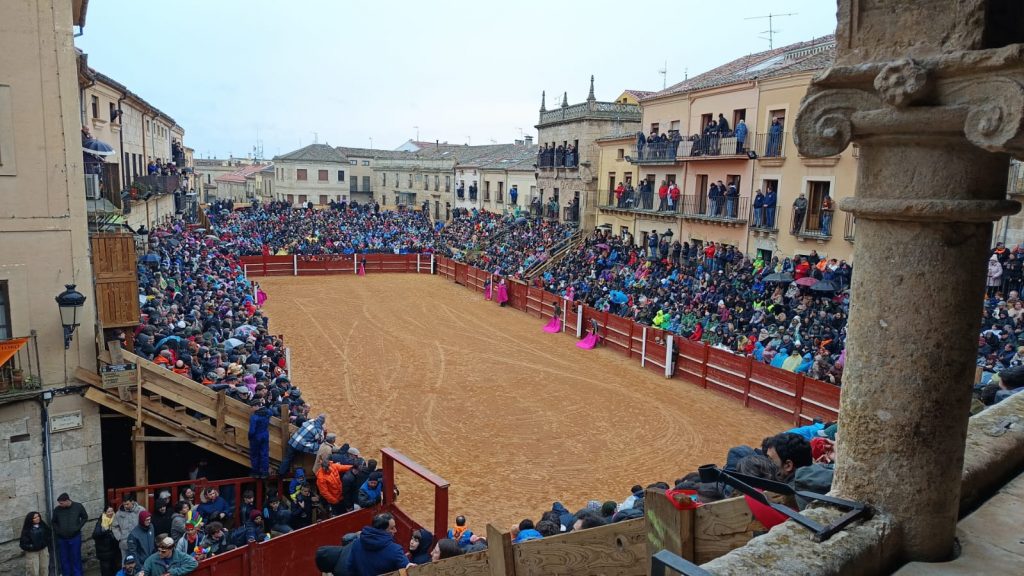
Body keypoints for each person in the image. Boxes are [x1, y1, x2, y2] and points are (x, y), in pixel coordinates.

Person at [347, 513, 412, 575]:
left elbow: (351, 569)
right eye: (392, 528)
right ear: (382, 530)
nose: (395, 530)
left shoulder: (356, 543)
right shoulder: (395, 550)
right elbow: (408, 571)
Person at [52, 492, 89, 576]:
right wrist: (58, 531)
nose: (60, 505)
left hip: (75, 537)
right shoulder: (57, 510)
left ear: (67, 501)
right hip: (62, 539)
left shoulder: (78, 506)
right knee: (64, 559)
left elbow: (85, 517)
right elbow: (53, 522)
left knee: (76, 558)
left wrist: (77, 527)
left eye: (61, 503)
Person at [93, 505, 122, 576]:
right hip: (104, 552)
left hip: (115, 551)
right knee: (106, 571)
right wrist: (106, 531)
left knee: (115, 569)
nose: (111, 513)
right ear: (105, 513)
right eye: (108, 511)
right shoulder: (101, 521)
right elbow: (95, 535)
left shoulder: (117, 520)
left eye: (112, 511)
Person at [20, 511, 51, 576]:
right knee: (33, 571)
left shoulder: (43, 525)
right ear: (31, 519)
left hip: (43, 550)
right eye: (35, 517)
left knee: (44, 569)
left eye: (38, 516)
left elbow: (48, 534)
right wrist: (33, 546)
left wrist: (45, 543)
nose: (38, 518)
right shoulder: (27, 529)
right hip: (32, 553)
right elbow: (23, 544)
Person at [248, 403, 271, 478]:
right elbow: (271, 412)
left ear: (256, 406)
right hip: (265, 435)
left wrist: (249, 437)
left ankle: (256, 472)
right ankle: (264, 472)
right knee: (264, 454)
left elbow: (252, 430)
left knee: (255, 455)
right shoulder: (266, 414)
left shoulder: (254, 417)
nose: (251, 408)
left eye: (252, 406)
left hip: (256, 437)